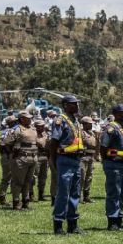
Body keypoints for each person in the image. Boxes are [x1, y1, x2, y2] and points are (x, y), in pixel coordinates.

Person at [47, 95, 85, 234]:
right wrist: (53, 159)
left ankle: (72, 224)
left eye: (77, 103)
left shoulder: (76, 120)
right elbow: (54, 142)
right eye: (73, 104)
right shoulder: (60, 120)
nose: (77, 106)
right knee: (63, 193)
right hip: (64, 159)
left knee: (75, 193)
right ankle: (58, 224)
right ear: (65, 105)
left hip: (76, 160)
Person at [100, 104, 123, 231]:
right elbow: (103, 147)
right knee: (114, 192)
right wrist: (106, 161)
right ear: (117, 114)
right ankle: (112, 221)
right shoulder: (111, 128)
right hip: (113, 163)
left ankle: (119, 219)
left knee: (122, 192)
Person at [4, 111, 41, 211]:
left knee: (28, 181)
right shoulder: (16, 129)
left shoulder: (33, 129)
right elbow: (6, 143)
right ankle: (16, 202)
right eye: (27, 118)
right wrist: (13, 153)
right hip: (20, 159)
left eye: (30, 118)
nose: (29, 119)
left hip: (33, 158)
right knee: (18, 182)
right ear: (21, 119)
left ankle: (26, 201)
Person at [0, 115, 17, 206]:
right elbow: (6, 144)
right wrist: (10, 154)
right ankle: (8, 198)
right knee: (9, 178)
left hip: (5, 156)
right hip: (10, 156)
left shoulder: (4, 131)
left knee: (6, 178)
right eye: (15, 121)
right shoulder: (12, 131)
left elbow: (0, 147)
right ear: (11, 123)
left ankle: (3, 197)